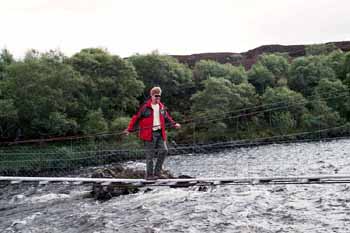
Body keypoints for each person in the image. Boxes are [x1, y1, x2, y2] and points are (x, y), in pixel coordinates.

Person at [124, 87, 181, 179]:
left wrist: (174, 124)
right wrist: (129, 129)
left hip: (160, 132)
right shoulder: (145, 107)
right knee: (150, 155)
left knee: (164, 150)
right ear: (152, 96)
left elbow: (167, 117)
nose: (158, 98)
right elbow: (136, 118)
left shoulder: (161, 107)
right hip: (149, 134)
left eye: (159, 96)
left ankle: (157, 173)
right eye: (156, 96)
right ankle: (149, 175)